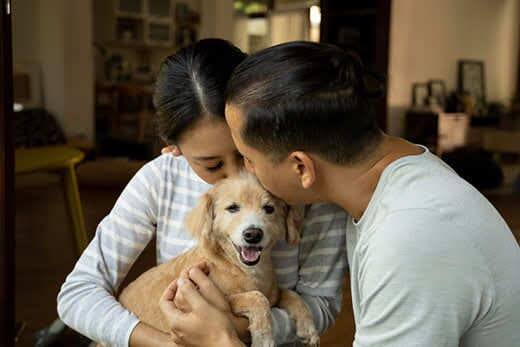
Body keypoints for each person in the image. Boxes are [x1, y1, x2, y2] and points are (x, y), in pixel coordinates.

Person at [161, 41, 520, 346]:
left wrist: (221, 340)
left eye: (248, 159)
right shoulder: (397, 176)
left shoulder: (411, 235)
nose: (242, 173)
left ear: (301, 167)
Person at [57, 39, 348, 347]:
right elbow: (78, 294)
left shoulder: (305, 182)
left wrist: (232, 330)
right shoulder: (161, 177)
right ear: (173, 147)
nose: (239, 174)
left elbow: (322, 305)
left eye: (246, 153)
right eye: (212, 165)